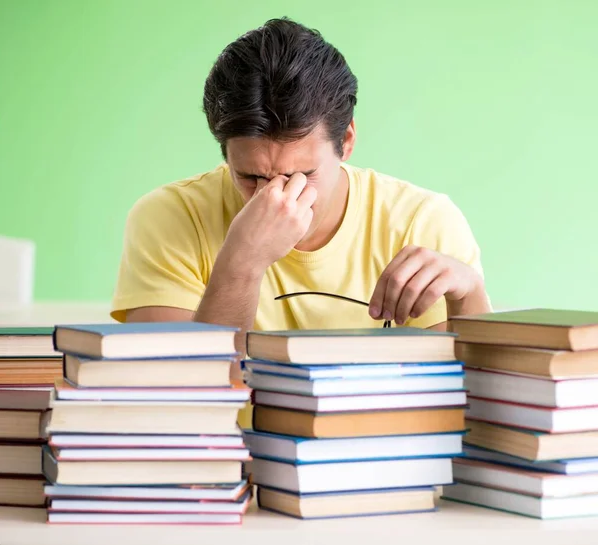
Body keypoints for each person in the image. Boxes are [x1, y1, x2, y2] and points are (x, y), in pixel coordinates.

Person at [111, 18, 491, 348]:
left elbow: (466, 401)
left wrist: (470, 294)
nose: (275, 198)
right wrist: (243, 261)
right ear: (225, 153)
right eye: (251, 177)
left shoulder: (422, 222)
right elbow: (175, 392)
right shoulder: (170, 217)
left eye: (301, 175)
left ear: (346, 141)